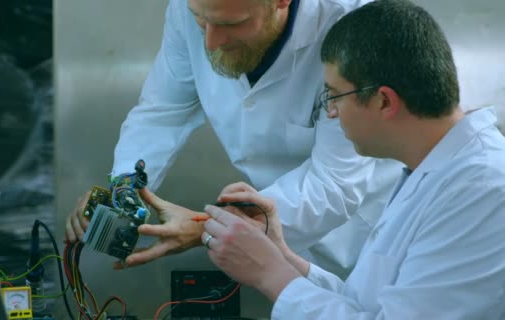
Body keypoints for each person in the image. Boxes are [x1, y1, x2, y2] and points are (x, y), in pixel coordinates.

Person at [198, 0, 505, 318]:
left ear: (384, 101)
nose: (331, 111)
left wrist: (269, 274)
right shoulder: (434, 174)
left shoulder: (484, 188)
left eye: (334, 94)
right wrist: (281, 255)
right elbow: (366, 305)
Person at [65, 0, 402, 276]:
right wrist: (124, 187)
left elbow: (335, 185)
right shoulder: (189, 9)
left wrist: (208, 228)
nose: (210, 42)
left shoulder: (354, 25)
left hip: (364, 245)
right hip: (270, 245)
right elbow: (164, 111)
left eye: (231, 24)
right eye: (201, 20)